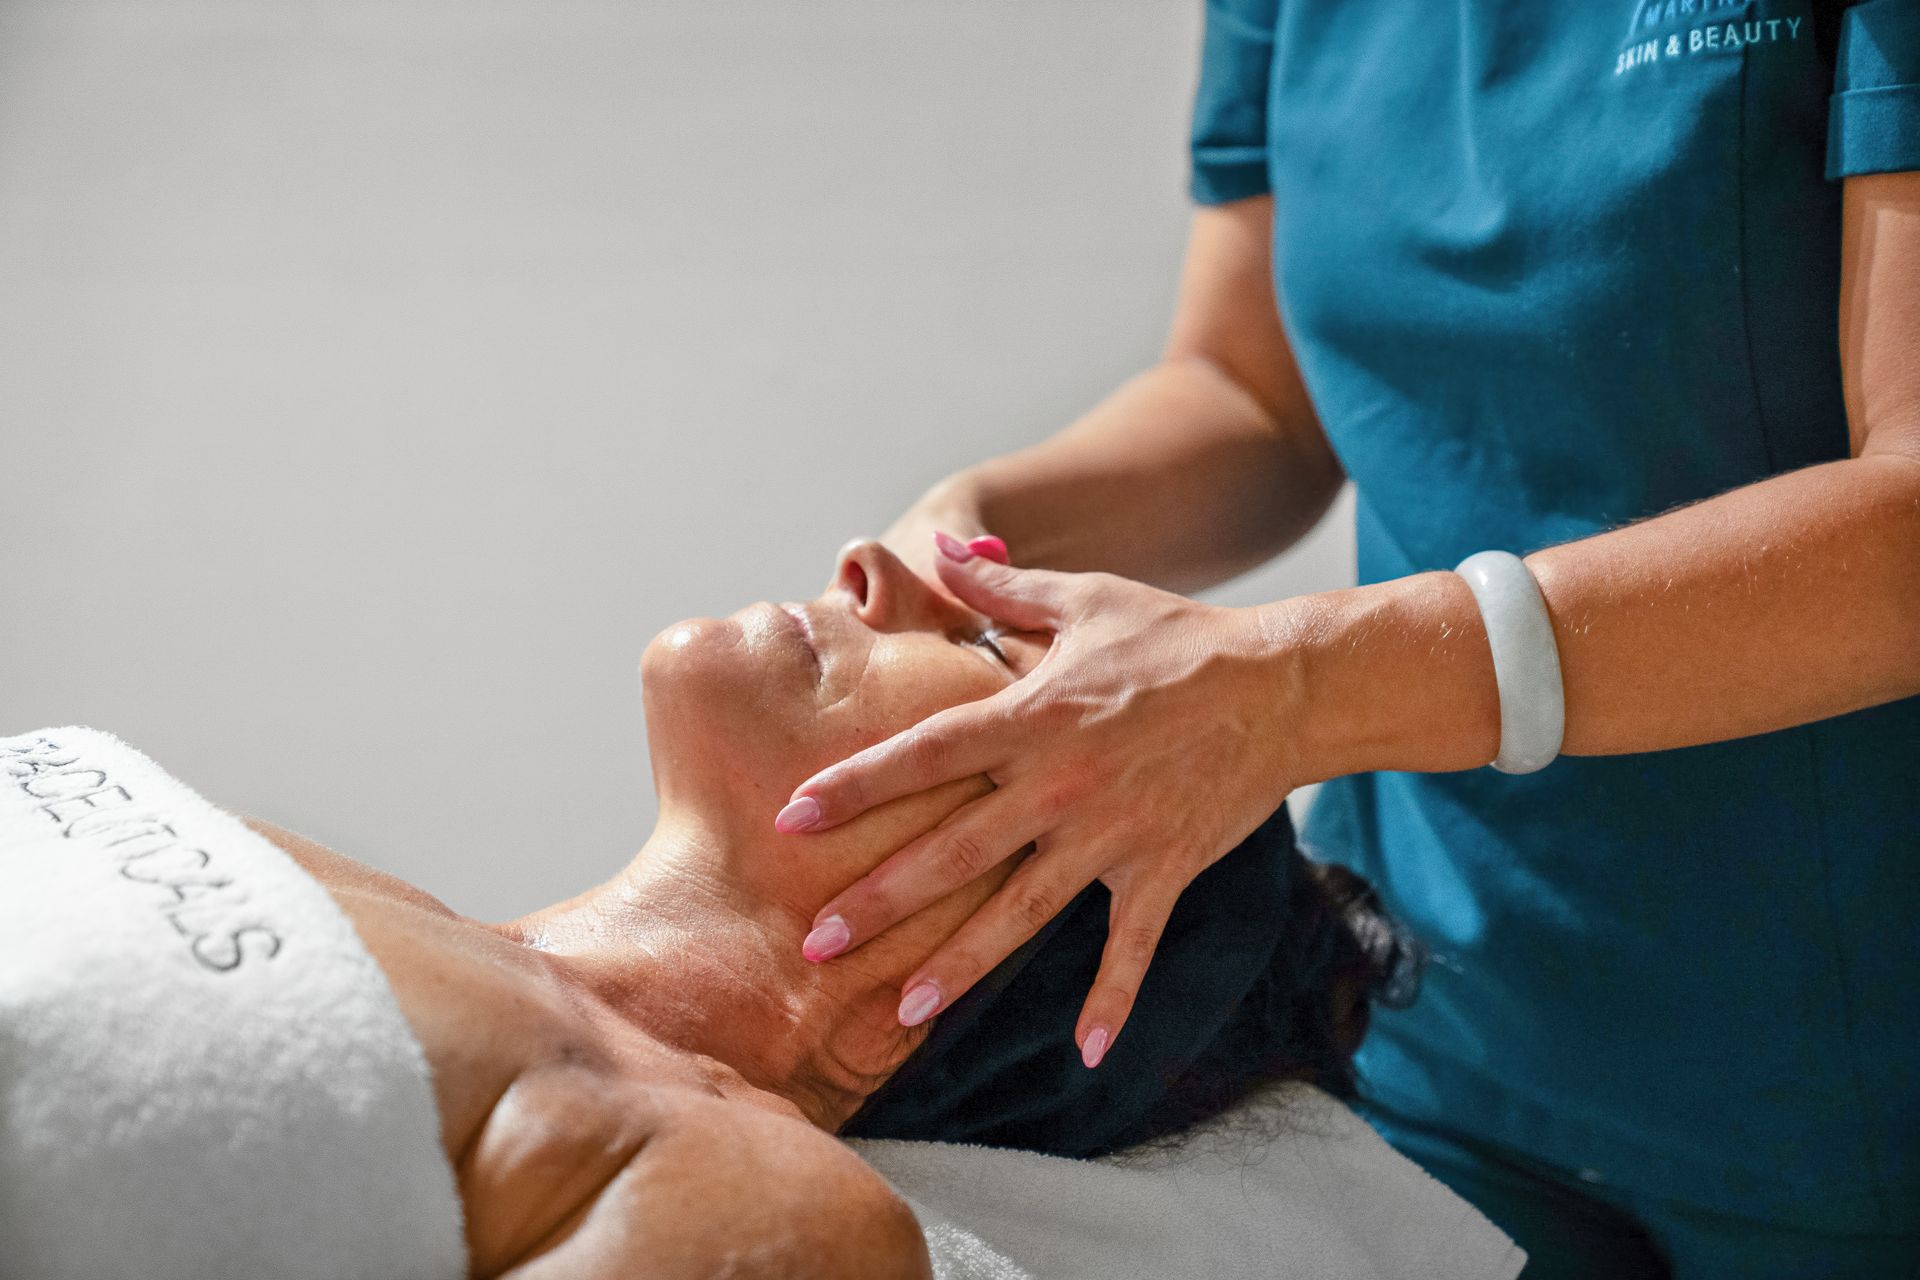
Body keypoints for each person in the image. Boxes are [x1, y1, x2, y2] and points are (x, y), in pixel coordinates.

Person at [780, 3, 1920, 1274]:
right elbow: (1252, 399)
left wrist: (1299, 683)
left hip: (1853, 1065)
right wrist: (976, 532)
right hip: (1440, 1033)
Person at [16, 539, 1402, 1278]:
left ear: (1045, 889)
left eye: (989, 641)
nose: (884, 564)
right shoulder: (347, 885)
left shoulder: (761, 1205)